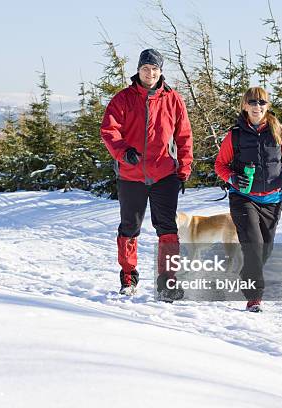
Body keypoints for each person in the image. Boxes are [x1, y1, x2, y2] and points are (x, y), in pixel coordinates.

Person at [100, 49, 193, 301]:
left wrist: (184, 167)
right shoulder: (124, 98)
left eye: (154, 69)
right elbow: (109, 130)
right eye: (145, 69)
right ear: (138, 70)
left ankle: (167, 282)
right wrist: (122, 152)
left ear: (160, 72)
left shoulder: (173, 99)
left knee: (167, 229)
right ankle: (128, 277)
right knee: (130, 228)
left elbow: (184, 136)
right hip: (131, 176)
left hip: (164, 175)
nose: (149, 73)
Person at [215, 86, 282, 312]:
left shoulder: (279, 131)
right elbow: (220, 165)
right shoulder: (235, 135)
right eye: (253, 103)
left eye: (262, 103)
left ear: (268, 106)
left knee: (264, 250)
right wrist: (234, 179)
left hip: (273, 200)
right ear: (244, 106)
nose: (257, 107)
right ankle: (254, 298)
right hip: (243, 198)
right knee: (254, 246)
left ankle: (248, 273)